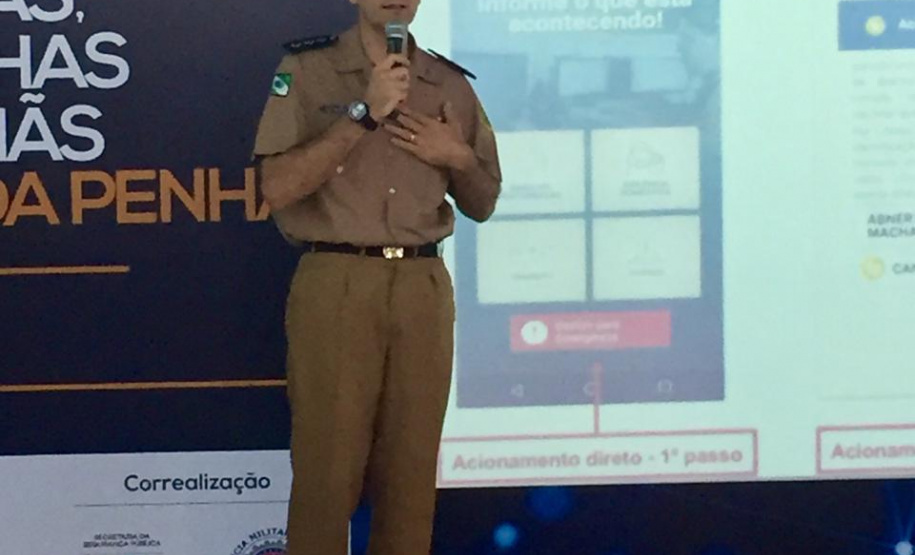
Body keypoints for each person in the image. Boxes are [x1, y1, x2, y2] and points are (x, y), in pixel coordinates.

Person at [251, 0, 502, 554]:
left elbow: (483, 202)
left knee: (411, 477)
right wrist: (363, 113)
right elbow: (276, 188)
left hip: (421, 286)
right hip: (337, 280)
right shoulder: (307, 70)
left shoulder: (448, 84)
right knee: (326, 472)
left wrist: (457, 157)